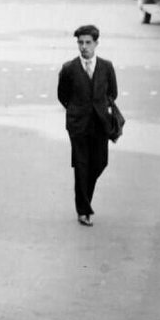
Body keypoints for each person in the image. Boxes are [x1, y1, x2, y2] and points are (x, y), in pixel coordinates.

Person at [56, 24, 118, 227]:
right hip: (78, 125)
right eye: (80, 43)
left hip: (100, 123)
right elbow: (62, 95)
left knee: (100, 162)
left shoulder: (106, 67)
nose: (84, 47)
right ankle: (83, 210)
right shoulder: (69, 68)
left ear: (96, 44)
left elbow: (112, 93)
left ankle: (84, 200)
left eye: (88, 43)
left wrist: (101, 109)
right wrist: (75, 109)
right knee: (82, 165)